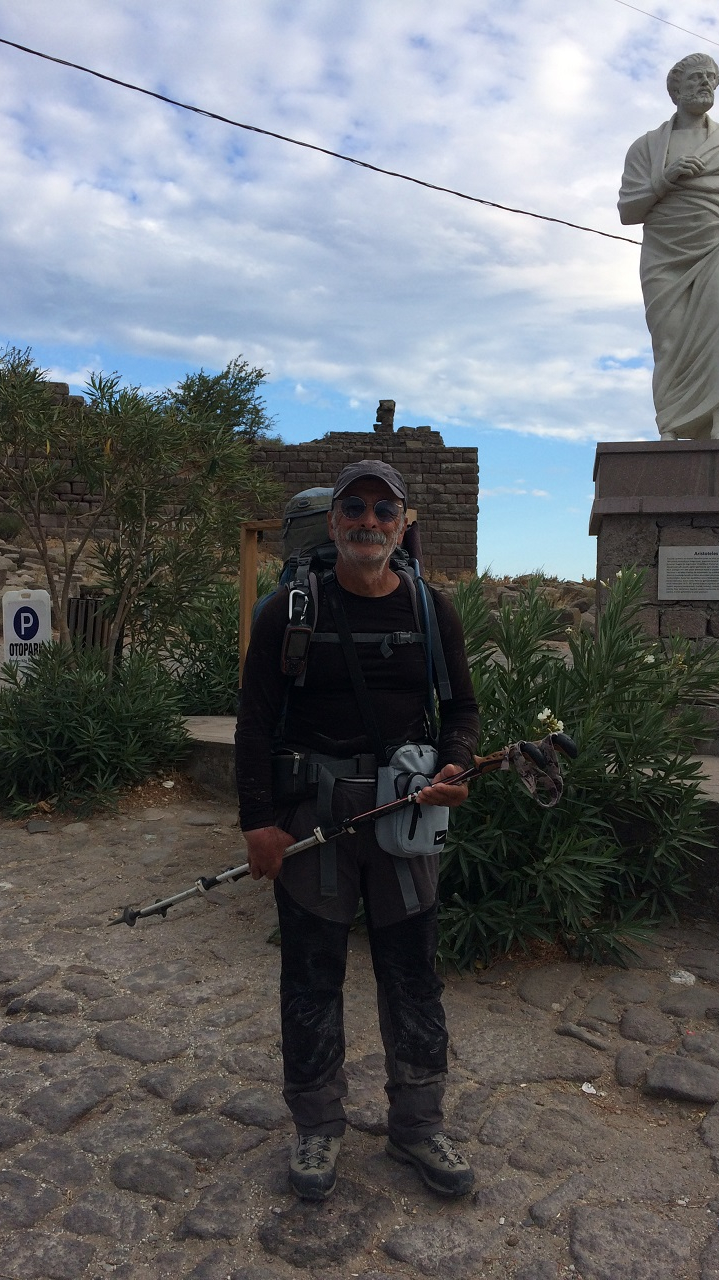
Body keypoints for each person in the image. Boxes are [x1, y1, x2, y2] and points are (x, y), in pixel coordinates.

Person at [235, 459, 480, 1202]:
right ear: (334, 520)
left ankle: (418, 1124)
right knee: (311, 977)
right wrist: (258, 824)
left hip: (405, 816)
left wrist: (457, 765)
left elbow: (461, 711)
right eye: (355, 508)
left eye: (383, 510)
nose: (368, 521)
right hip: (314, 820)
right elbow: (254, 722)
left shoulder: (431, 610)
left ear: (402, 526)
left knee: (414, 976)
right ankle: (317, 1126)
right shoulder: (288, 611)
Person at [618, 53, 719, 441]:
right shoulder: (647, 148)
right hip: (664, 253)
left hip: (716, 245)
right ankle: (671, 426)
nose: (706, 83)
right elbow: (627, 211)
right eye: (696, 77)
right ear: (675, 89)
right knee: (668, 340)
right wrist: (664, 180)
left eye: (712, 78)